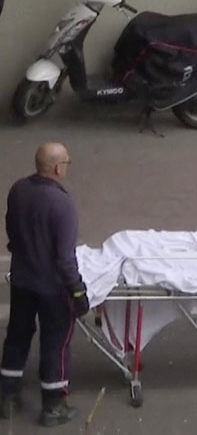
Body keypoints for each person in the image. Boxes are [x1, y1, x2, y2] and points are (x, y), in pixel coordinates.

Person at [1, 143, 90, 427]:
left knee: (17, 334)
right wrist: (78, 291)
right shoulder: (62, 204)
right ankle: (53, 405)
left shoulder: (18, 190)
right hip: (52, 289)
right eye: (66, 162)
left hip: (23, 281)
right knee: (56, 343)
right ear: (57, 167)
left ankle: (7, 395)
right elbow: (65, 259)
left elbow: (11, 230)